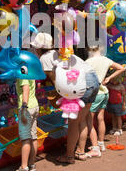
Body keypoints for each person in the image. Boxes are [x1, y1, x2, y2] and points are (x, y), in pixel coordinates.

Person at [30, 33, 100, 164]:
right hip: (93, 79)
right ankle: (80, 151)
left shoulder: (45, 58)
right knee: (82, 119)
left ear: (38, 48)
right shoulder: (60, 53)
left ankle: (69, 156)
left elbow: (56, 81)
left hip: (82, 82)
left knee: (73, 122)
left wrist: (56, 97)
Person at [85, 45, 126, 157]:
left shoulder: (88, 62)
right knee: (100, 118)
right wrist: (108, 78)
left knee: (89, 120)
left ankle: (95, 146)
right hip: (104, 92)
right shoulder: (105, 60)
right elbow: (122, 68)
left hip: (94, 93)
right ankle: (101, 143)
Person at [12, 77, 39, 171]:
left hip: (27, 108)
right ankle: (32, 164)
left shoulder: (22, 73)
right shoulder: (30, 70)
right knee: (33, 136)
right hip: (34, 105)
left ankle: (23, 168)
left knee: (25, 139)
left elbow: (26, 88)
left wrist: (24, 107)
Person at [106, 69, 126, 136]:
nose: (112, 81)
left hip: (118, 104)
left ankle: (119, 129)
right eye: (111, 80)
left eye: (113, 80)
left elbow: (124, 96)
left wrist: (124, 105)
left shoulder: (121, 87)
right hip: (110, 103)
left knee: (118, 117)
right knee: (113, 117)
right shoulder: (109, 85)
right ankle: (114, 128)